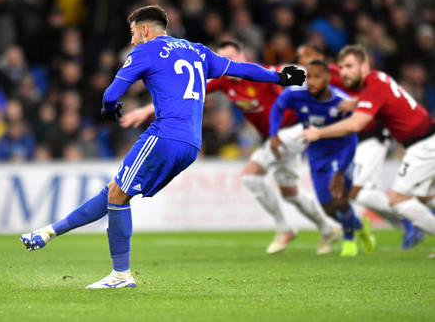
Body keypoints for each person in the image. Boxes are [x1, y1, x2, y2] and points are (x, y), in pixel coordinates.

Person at [20, 5, 305, 288]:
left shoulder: (145, 51)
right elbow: (241, 70)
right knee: (116, 192)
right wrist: (280, 76)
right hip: (191, 144)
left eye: (133, 32)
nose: (132, 40)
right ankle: (50, 232)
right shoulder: (198, 50)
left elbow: (111, 93)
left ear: (144, 30)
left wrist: (109, 108)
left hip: (165, 135)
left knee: (118, 196)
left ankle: (120, 276)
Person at [121, 41, 341, 255]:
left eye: (232, 58)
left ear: (243, 57)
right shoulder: (225, 81)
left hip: (291, 132)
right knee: (290, 192)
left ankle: (284, 228)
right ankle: (327, 228)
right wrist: (146, 110)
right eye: (223, 58)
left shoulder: (261, 74)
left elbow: (291, 75)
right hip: (274, 138)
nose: (228, 63)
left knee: (250, 176)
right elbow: (186, 92)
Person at [301, 45, 435, 257]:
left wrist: (319, 133)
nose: (344, 72)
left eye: (350, 66)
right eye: (342, 66)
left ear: (364, 67)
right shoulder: (377, 79)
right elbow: (384, 100)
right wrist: (358, 102)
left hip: (424, 145)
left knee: (398, 200)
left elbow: (355, 125)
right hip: (426, 140)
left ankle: (410, 227)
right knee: (426, 197)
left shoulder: (373, 87)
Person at [271, 59, 376, 257]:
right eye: (309, 76)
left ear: (327, 78)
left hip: (341, 152)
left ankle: (349, 238)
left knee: (340, 200)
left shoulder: (340, 102)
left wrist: (340, 170)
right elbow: (277, 107)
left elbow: (352, 138)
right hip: (317, 156)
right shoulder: (297, 95)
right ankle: (360, 225)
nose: (311, 81)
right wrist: (274, 134)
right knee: (327, 208)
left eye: (317, 77)